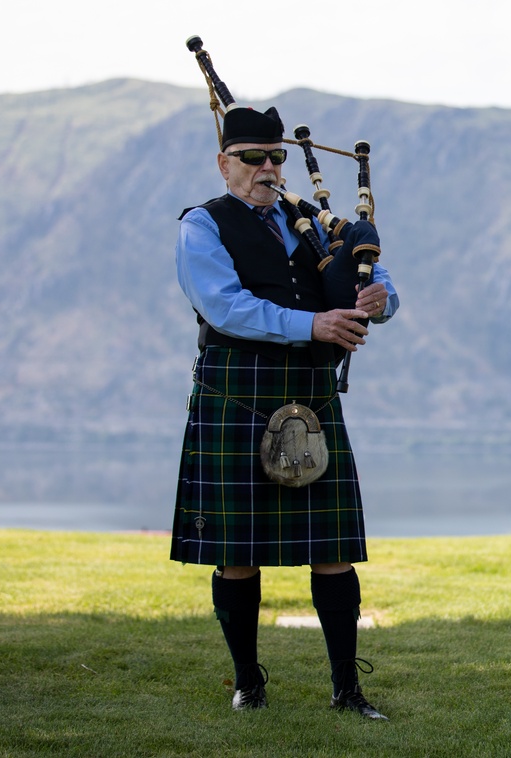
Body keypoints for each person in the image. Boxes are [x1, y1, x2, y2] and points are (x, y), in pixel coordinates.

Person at [170, 104, 397, 720]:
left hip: (312, 392)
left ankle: (347, 688)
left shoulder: (311, 221)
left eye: (276, 158)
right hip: (236, 394)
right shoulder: (203, 226)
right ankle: (249, 682)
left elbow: (373, 284)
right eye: (253, 158)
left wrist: (379, 298)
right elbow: (226, 308)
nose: (267, 168)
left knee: (332, 548)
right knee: (236, 551)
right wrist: (315, 324)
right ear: (225, 164)